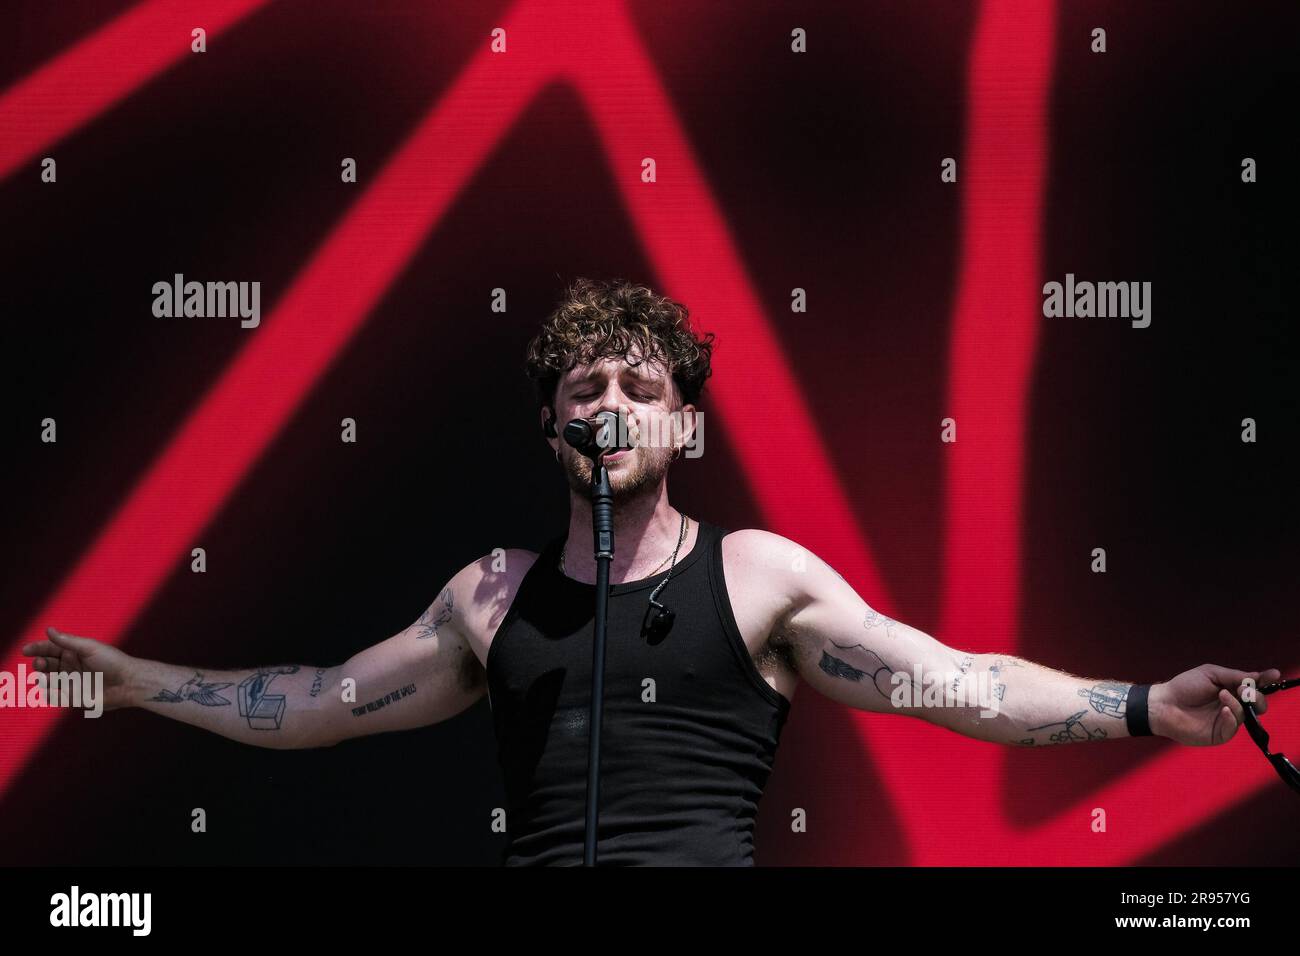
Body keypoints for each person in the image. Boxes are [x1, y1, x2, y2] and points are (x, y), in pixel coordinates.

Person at [25, 277, 1282, 866]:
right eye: (588, 387)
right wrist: (134, 681)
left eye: (642, 387)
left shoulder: (758, 576)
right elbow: (321, 699)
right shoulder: (493, 594)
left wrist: (1136, 703)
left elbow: (957, 684)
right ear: (552, 423)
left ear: (684, 426)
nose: (613, 406)